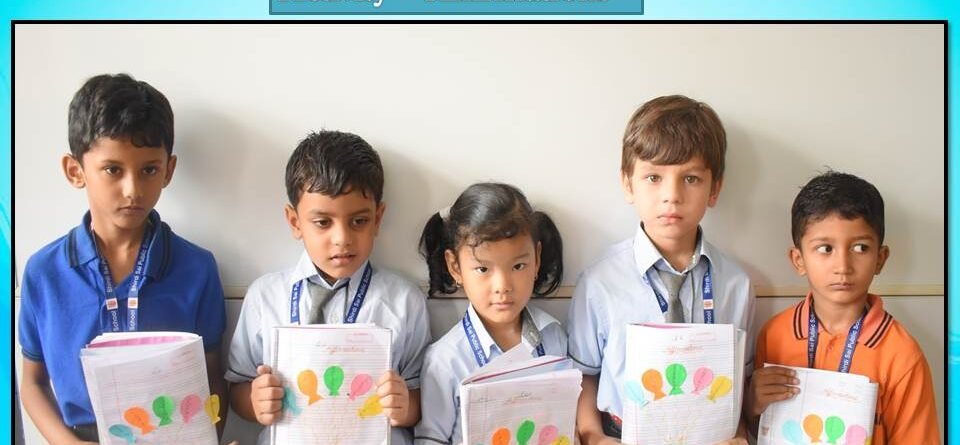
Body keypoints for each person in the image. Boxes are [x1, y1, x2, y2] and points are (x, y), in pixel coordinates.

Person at [18, 73, 228, 443]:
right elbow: (32, 382)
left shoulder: (197, 268)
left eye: (149, 170)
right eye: (113, 170)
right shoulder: (43, 272)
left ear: (168, 170)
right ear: (75, 171)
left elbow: (211, 377)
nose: (133, 189)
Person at [566, 95, 754, 444]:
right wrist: (592, 434)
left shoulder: (735, 284)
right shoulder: (599, 282)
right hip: (622, 434)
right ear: (628, 184)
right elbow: (584, 375)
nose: (672, 195)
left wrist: (740, 433)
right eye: (653, 177)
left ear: (715, 188)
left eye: (691, 179)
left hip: (709, 436)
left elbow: (737, 380)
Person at [225, 130, 431, 445]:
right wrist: (255, 402)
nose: (342, 239)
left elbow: (423, 398)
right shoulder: (264, 297)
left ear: (378, 218)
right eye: (323, 222)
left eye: (359, 221)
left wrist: (405, 407)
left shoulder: (404, 301)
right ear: (295, 222)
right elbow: (238, 388)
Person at [745, 171, 940, 445]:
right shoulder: (774, 335)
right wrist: (752, 405)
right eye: (825, 248)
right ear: (799, 260)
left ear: (880, 258)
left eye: (860, 248)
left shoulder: (902, 356)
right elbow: (761, 429)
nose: (843, 267)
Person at [413, 182, 567, 445]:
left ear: (537, 258)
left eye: (518, 266)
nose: (502, 286)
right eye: (483, 269)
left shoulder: (554, 336)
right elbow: (431, 438)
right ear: (455, 267)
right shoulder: (445, 360)